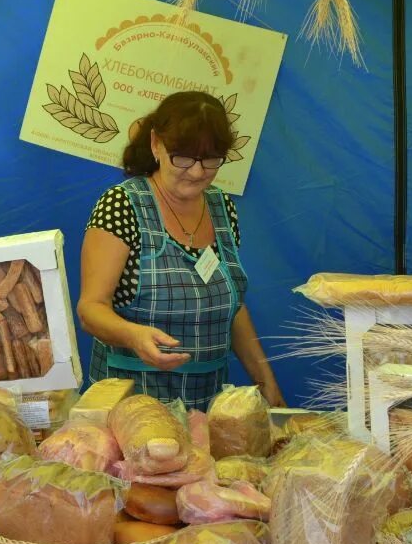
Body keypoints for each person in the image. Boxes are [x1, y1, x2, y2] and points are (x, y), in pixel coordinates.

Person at [78, 90, 286, 410]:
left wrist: (266, 383)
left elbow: (234, 308)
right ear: (156, 144)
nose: (198, 171)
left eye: (211, 159)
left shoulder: (222, 207)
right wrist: (133, 335)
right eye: (184, 157)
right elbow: (91, 309)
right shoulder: (123, 205)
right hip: (133, 403)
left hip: (207, 402)